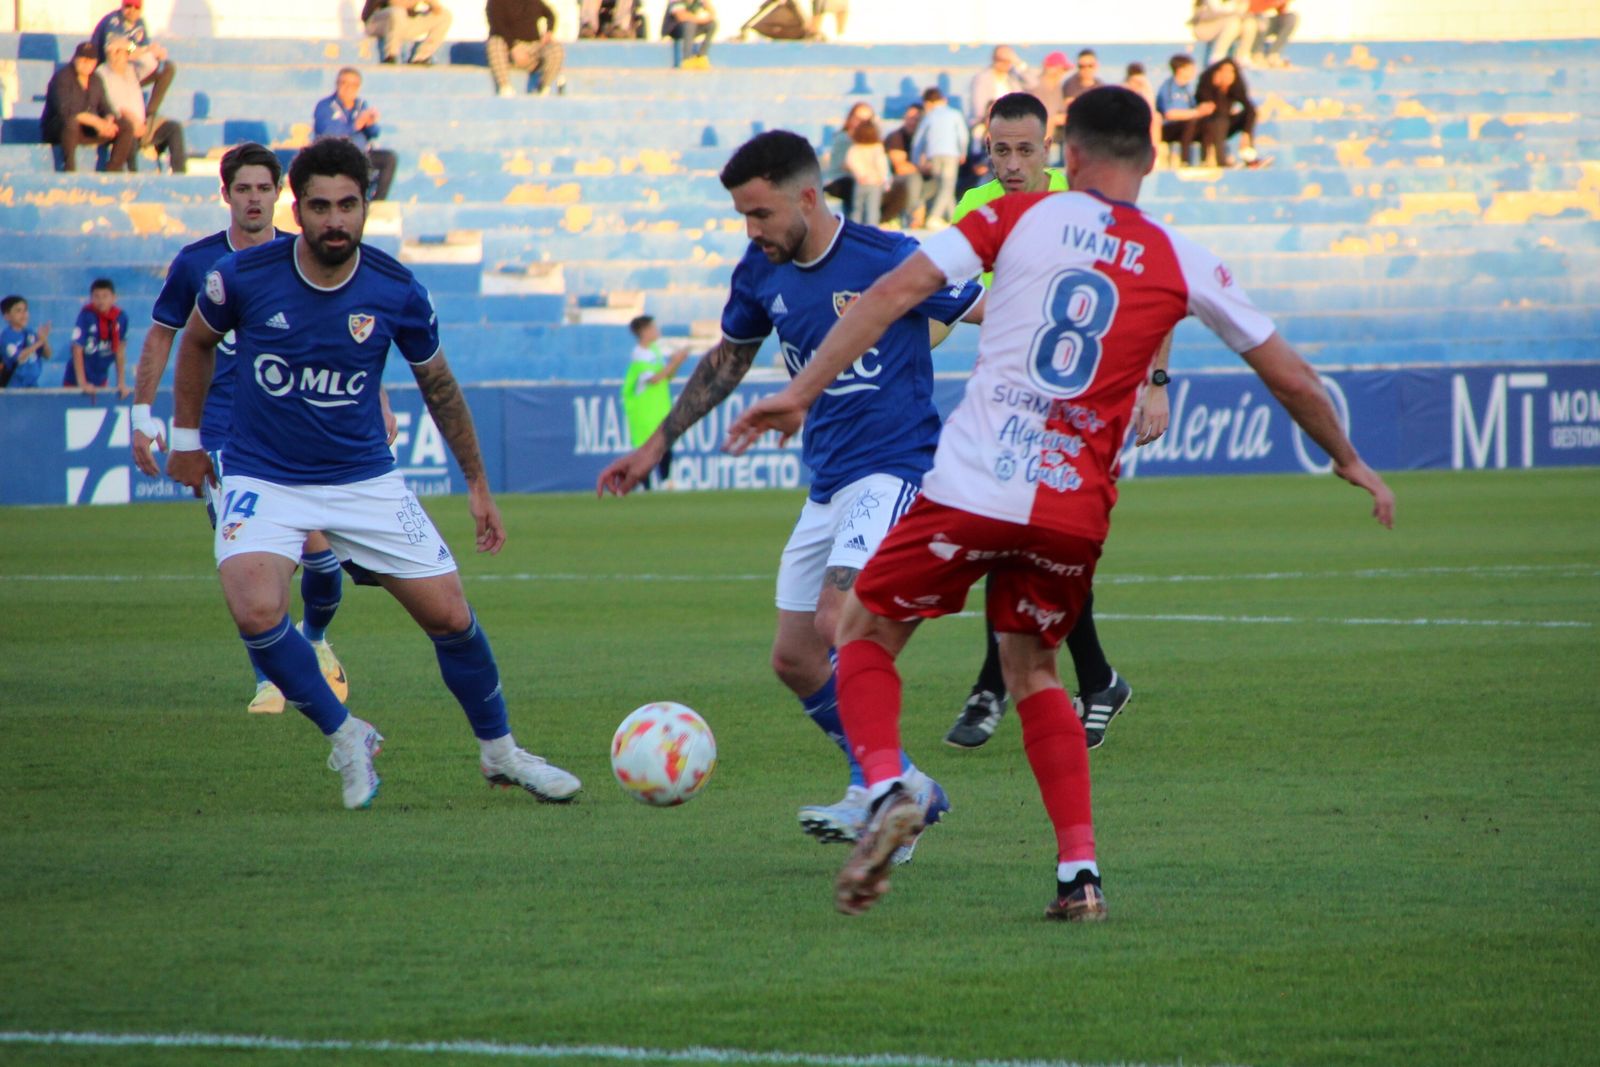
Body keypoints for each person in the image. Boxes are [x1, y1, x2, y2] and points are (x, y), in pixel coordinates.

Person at [725, 86, 1396, 921]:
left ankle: (890, 783)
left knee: (859, 628)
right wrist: (1349, 459)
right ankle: (1080, 873)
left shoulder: (1018, 220)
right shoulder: (1183, 257)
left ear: (1065, 155)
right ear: (1151, 161)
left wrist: (800, 393)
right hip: (1072, 510)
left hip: (972, 485)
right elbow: (1290, 374)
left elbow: (892, 293)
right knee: (1036, 668)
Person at [597, 130, 984, 858]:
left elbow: (990, 311)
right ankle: (899, 783)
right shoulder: (760, 270)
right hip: (829, 479)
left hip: (895, 468)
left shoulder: (891, 256)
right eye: (743, 216)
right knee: (794, 657)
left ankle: (877, 795)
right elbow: (728, 359)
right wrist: (658, 442)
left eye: (761, 214)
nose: (753, 231)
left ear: (807, 197)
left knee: (842, 617)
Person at [165, 138, 580, 810]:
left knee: (450, 615)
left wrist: (476, 484)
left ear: (367, 207)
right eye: (321, 206)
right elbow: (196, 341)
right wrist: (185, 439)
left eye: (348, 205)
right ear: (296, 208)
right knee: (257, 607)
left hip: (363, 477)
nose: (335, 219)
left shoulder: (395, 289)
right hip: (263, 473)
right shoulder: (242, 276)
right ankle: (345, 732)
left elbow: (439, 385)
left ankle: (502, 751)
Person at [944, 91, 1165, 750]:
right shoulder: (974, 207)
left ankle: (995, 687)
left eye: (1025, 151)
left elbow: (1151, 285)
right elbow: (949, 300)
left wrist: (1156, 384)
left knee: (1033, 537)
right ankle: (1094, 679)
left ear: (1052, 150)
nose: (1011, 165)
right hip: (1014, 400)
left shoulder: (1087, 198)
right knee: (1029, 538)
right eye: (999, 151)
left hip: (1086, 403)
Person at [130, 142, 356, 715]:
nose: (253, 199)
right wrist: (142, 415)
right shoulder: (196, 263)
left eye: (263, 188)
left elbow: (341, 334)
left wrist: (374, 401)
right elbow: (163, 335)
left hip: (299, 432)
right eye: (243, 189)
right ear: (225, 194)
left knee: (326, 569)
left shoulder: (306, 257)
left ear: (280, 194)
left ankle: (312, 641)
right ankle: (270, 681)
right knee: (252, 563)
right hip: (226, 437)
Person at [40, 41, 134, 173]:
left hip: (89, 130)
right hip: (62, 130)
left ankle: (113, 169)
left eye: (90, 60)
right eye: (82, 59)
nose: (86, 63)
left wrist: (108, 120)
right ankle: (69, 170)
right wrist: (97, 123)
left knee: (126, 125)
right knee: (71, 123)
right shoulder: (62, 78)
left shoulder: (97, 79)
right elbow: (66, 111)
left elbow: (106, 106)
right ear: (75, 59)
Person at [98, 35, 185, 173]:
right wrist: (131, 121)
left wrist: (130, 47)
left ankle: (180, 176)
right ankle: (133, 180)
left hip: (142, 125)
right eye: (114, 52)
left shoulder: (131, 69)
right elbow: (107, 104)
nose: (117, 56)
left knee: (174, 128)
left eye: (121, 52)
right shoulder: (102, 73)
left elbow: (149, 63)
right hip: (121, 125)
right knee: (128, 135)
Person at [621, 315, 690, 489]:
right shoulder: (639, 356)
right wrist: (675, 361)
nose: (656, 330)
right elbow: (654, 379)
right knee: (647, 450)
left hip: (658, 410)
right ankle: (646, 486)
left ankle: (666, 482)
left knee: (664, 445)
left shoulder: (654, 352)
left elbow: (666, 377)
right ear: (644, 331)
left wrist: (676, 364)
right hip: (644, 413)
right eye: (653, 327)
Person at [313, 68, 398, 200]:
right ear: (337, 84)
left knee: (389, 158)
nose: (348, 88)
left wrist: (370, 124)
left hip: (360, 155)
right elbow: (327, 133)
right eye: (344, 83)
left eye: (353, 85)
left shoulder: (361, 105)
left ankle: (378, 202)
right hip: (335, 157)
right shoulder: (325, 106)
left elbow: (374, 133)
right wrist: (355, 125)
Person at [91, 0, 176, 120]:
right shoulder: (113, 20)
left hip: (128, 70)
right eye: (128, 6)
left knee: (167, 68)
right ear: (122, 6)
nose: (132, 10)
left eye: (136, 7)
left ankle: (150, 114)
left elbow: (141, 50)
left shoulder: (140, 23)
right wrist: (144, 50)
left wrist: (156, 53)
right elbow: (117, 47)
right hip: (107, 71)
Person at [911, 86, 969, 227]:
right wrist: (963, 151)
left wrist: (916, 158)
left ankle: (955, 219)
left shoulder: (929, 116)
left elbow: (918, 140)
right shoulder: (954, 114)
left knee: (944, 187)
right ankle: (934, 217)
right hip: (951, 154)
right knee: (947, 186)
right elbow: (963, 135)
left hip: (933, 155)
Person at [64, 278, 130, 398]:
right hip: (75, 380)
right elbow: (77, 349)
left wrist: (121, 383)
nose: (101, 300)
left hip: (100, 379)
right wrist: (82, 383)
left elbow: (120, 351)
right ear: (91, 298)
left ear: (114, 298)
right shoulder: (86, 316)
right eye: (96, 296)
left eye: (105, 296)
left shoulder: (121, 317)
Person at [487, 0, 566, 97]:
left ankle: (543, 88)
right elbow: (497, 25)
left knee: (556, 49)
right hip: (508, 49)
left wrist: (549, 32)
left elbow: (550, 15)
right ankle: (505, 87)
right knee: (495, 42)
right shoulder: (496, 2)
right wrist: (513, 47)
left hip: (533, 47)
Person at [1196, 58, 1263, 167]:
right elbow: (1213, 110)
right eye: (1225, 71)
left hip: (1225, 125)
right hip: (1207, 126)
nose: (1229, 75)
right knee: (1220, 120)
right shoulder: (1206, 84)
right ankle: (1221, 161)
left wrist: (1246, 133)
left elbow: (1250, 109)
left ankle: (1249, 156)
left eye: (1231, 71)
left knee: (1248, 115)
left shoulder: (1235, 88)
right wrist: (1218, 88)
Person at [1155, 54, 1213, 167]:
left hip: (1187, 125)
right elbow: (1169, 114)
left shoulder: (1187, 88)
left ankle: (1205, 160)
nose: (1194, 71)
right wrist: (1196, 113)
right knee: (1190, 123)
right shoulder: (1168, 87)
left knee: (1208, 122)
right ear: (1180, 70)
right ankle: (1184, 161)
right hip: (1169, 128)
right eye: (1191, 68)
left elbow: (1194, 108)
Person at [967, 46, 1031, 142]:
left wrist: (1018, 62)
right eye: (1001, 60)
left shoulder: (1013, 77)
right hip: (987, 124)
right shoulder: (982, 78)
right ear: (994, 59)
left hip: (1012, 123)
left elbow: (1033, 83)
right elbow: (979, 107)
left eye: (1008, 60)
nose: (1005, 63)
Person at [361, 0, 453, 65]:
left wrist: (432, 5)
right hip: (376, 23)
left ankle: (420, 58)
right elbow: (396, 3)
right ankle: (390, 56)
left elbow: (437, 9)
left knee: (445, 15)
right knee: (398, 12)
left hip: (402, 24)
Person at [822, 101, 874, 207]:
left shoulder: (873, 143)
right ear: (851, 119)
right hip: (840, 180)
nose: (862, 124)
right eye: (859, 119)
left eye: (867, 120)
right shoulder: (843, 138)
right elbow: (847, 165)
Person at [881, 104, 924, 229]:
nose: (912, 122)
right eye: (909, 118)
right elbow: (900, 167)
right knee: (913, 179)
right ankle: (911, 217)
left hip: (922, 180)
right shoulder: (896, 136)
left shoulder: (925, 137)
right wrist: (922, 167)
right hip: (896, 181)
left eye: (916, 119)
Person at [844, 119, 891, 227]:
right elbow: (882, 165)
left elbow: (851, 162)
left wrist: (860, 174)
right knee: (872, 210)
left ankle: (855, 231)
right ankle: (872, 233)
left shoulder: (855, 148)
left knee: (857, 209)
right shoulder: (877, 148)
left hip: (861, 182)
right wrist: (883, 179)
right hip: (875, 183)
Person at [0, 296, 52, 389]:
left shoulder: (30, 333)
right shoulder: (6, 337)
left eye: (25, 310)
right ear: (7, 316)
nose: (24, 314)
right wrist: (40, 342)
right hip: (15, 387)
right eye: (18, 311)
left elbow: (47, 355)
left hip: (33, 386)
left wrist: (44, 340)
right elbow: (19, 356)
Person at [1027, 51, 1072, 151]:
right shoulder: (1036, 86)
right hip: (1036, 139)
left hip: (1054, 139)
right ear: (1050, 68)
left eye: (1064, 70)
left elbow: (1060, 110)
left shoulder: (1057, 87)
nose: (1062, 73)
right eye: (1061, 69)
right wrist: (1054, 118)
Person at [1191, 0, 1255, 68]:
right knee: (1233, 23)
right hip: (1205, 26)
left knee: (1250, 23)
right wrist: (1236, 6)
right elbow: (1217, 10)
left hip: (1227, 25)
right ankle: (1217, 57)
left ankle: (1242, 56)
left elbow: (1243, 10)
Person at [662, 0, 717, 70]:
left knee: (712, 24)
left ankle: (701, 56)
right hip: (674, 29)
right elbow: (681, 16)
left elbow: (712, 14)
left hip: (691, 27)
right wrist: (701, 20)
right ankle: (687, 59)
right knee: (689, 24)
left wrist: (707, 4)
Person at [1250, 0, 1297, 67]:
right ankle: (1257, 54)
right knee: (1262, 19)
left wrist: (1281, 4)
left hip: (1268, 22)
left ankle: (1273, 55)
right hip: (1252, 19)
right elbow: (1253, 8)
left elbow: (1281, 10)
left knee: (1291, 18)